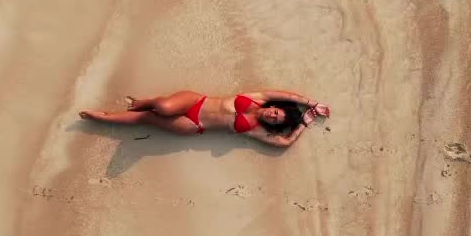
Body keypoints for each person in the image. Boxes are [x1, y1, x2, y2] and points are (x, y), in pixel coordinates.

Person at [80, 88, 330, 148]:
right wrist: (312, 104)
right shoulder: (259, 97)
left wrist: (304, 124)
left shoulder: (254, 129)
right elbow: (284, 93)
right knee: (163, 107)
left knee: (145, 119)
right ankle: (147, 101)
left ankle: (101, 118)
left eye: (275, 120)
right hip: (195, 101)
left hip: (194, 124)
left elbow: (283, 143)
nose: (272, 116)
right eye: (276, 112)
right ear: (274, 107)